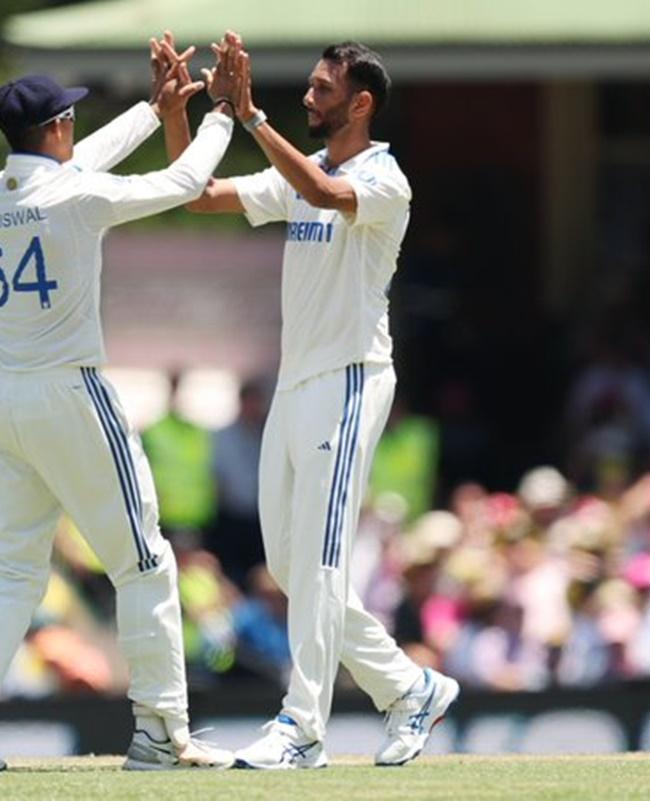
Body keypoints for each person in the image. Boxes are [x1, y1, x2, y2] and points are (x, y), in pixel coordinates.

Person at [0, 37, 243, 772]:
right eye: (69, 122)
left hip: (7, 396)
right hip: (70, 392)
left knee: (14, 569)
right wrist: (221, 114)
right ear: (56, 128)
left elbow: (83, 161)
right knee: (147, 559)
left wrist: (155, 111)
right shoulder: (76, 196)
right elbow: (185, 184)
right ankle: (159, 729)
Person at [170, 34, 458, 768]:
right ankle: (410, 687)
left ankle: (303, 727)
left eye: (322, 89)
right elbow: (198, 196)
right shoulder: (303, 171)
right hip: (294, 385)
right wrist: (185, 113)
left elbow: (326, 196)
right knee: (295, 571)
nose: (308, 98)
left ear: (360, 102)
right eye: (308, 86)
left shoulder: (382, 177)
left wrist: (253, 116)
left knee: (324, 565)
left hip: (350, 377)